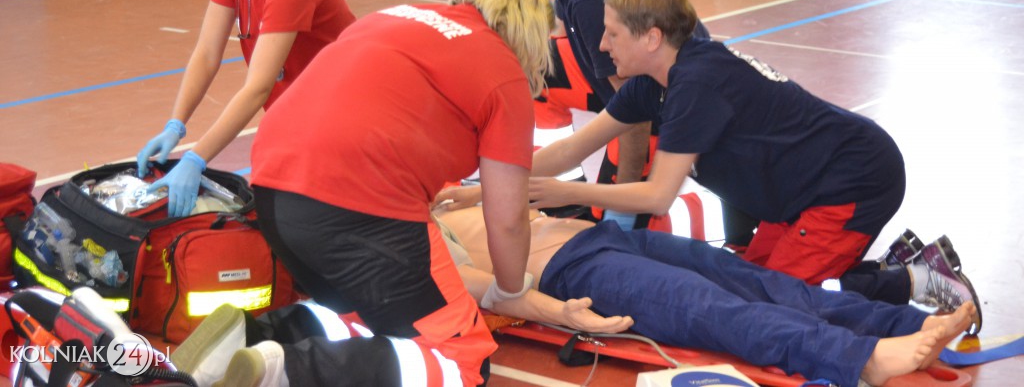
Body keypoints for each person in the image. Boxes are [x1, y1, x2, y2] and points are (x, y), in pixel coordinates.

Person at [529, 0, 982, 331]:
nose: (602, 45)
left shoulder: (696, 84)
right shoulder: (653, 84)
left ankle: (916, 279)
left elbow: (656, 197)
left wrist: (563, 194)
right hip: (802, 193)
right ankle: (890, 265)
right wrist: (490, 178)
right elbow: (571, 149)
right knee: (742, 283)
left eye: (611, 34)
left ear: (651, 37)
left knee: (774, 300)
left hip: (854, 181)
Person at [174, 208, 974, 387]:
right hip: (572, 278)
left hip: (599, 237)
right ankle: (867, 357)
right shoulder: (402, 225)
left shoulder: (431, 174)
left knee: (759, 280)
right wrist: (554, 314)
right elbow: (470, 285)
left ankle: (904, 318)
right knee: (718, 312)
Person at [244, 0, 556, 386]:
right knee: (461, 363)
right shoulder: (503, 74)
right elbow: (508, 218)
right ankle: (291, 368)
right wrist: (510, 292)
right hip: (361, 208)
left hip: (272, 191)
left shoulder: (395, 16)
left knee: (372, 321)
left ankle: (250, 340)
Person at [482, 0, 710, 230]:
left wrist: (623, 198)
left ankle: (631, 215)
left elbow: (635, 114)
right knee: (528, 65)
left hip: (668, 109)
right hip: (669, 75)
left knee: (610, 223)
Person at [136, 0, 356, 217]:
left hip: (344, 121)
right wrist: (175, 125)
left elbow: (258, 88)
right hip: (300, 117)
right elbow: (207, 54)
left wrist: (196, 158)